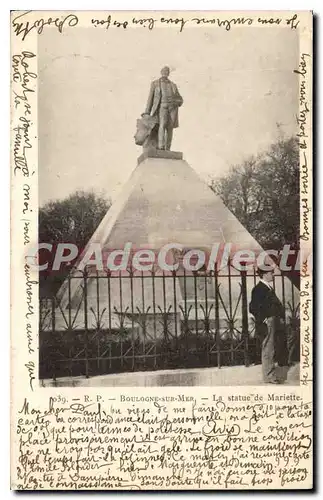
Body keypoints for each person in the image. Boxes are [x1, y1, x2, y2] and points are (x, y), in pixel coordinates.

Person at [249, 268, 286, 384]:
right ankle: (269, 376)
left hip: (273, 320)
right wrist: (263, 319)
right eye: (271, 273)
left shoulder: (267, 287)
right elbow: (253, 307)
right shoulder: (259, 289)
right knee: (268, 349)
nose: (273, 275)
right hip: (267, 322)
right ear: (264, 274)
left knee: (271, 348)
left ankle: (270, 375)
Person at [144, 66, 183, 150]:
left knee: (170, 128)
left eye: (167, 71)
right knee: (162, 125)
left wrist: (176, 102)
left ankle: (168, 148)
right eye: (164, 71)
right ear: (161, 72)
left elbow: (180, 99)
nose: (166, 72)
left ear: (168, 73)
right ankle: (161, 146)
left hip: (172, 108)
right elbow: (150, 98)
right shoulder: (155, 83)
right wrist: (147, 112)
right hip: (162, 107)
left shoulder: (173, 85)